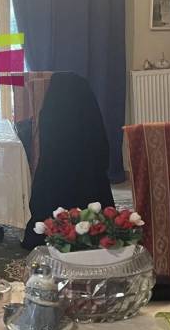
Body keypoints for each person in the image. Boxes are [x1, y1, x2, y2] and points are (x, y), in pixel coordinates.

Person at [22, 72, 115, 250]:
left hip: (53, 183)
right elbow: (103, 152)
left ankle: (57, 233)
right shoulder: (89, 116)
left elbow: (47, 151)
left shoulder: (49, 114)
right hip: (89, 183)